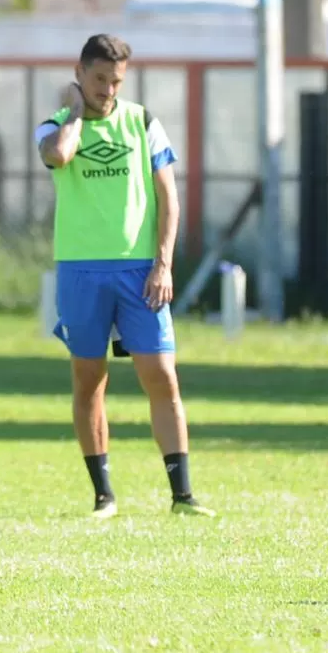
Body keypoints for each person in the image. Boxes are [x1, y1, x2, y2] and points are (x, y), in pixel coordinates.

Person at [35, 34, 215, 519]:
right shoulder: (54, 127)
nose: (108, 90)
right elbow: (59, 157)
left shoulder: (143, 122)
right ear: (80, 73)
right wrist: (75, 111)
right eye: (98, 80)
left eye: (116, 81)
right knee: (89, 379)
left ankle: (182, 494)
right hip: (80, 270)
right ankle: (104, 495)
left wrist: (163, 263)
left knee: (161, 376)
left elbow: (168, 199)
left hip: (139, 271)